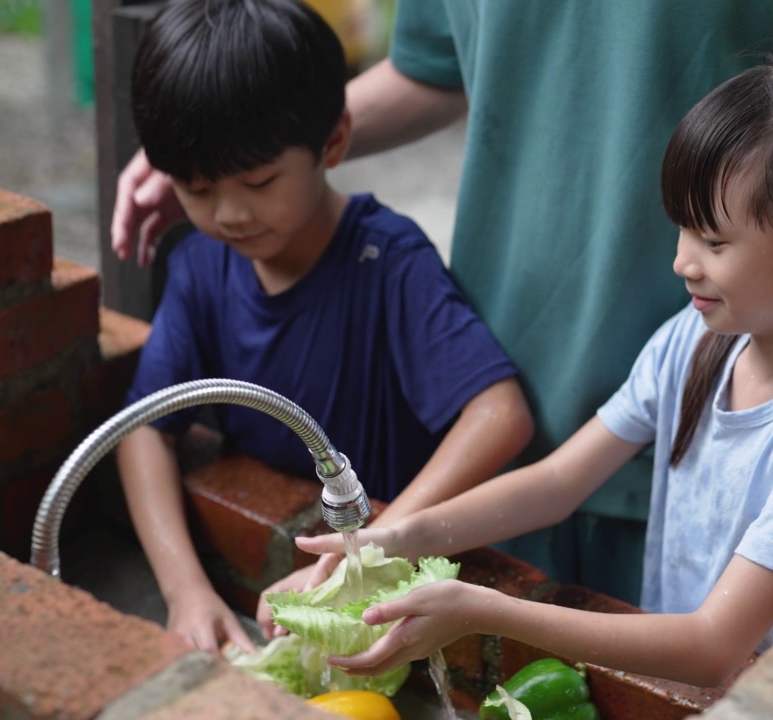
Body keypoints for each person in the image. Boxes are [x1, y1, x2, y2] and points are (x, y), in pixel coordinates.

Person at [114, 1, 773, 605]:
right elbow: (434, 69)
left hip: (728, 426)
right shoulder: (671, 344)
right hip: (515, 426)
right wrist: (242, 151)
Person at [296, 47, 773, 688]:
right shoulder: (697, 340)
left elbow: (714, 644)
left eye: (714, 241)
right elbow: (557, 483)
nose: (684, 262)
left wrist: (484, 611)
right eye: (682, 230)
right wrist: (401, 537)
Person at [116, 0, 533, 656]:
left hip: (388, 579)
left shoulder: (388, 262)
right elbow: (143, 428)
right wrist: (185, 590)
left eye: (258, 181)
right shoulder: (200, 267)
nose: (229, 213)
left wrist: (369, 548)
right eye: (196, 190)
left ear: (333, 142)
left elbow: (500, 415)